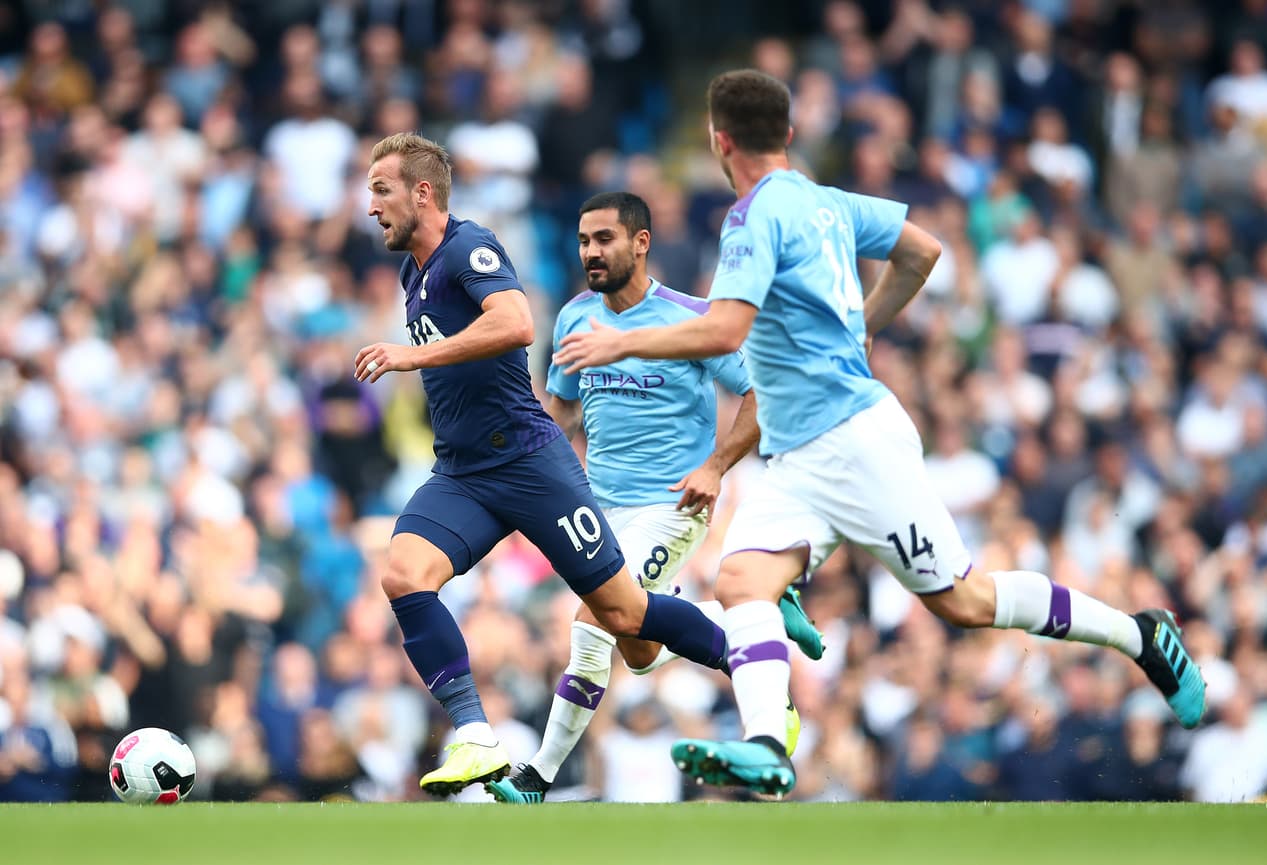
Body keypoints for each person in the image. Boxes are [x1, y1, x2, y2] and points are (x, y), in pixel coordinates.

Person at [553, 70, 1207, 797]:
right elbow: (923, 250)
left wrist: (620, 343)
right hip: (799, 452)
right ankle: (767, 745)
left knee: (965, 601)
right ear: (787, 134)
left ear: (719, 140)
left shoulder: (750, 218)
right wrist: (865, 323)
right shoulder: (829, 202)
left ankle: (1140, 634)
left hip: (852, 440)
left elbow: (726, 329)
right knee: (742, 581)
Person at [356, 133, 739, 796]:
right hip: (463, 473)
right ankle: (475, 734)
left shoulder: (469, 248)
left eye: (382, 190)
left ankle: (751, 650)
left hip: (528, 462)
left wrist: (411, 355)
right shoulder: (413, 273)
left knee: (625, 620)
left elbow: (516, 324)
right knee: (403, 574)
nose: (371, 207)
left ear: (422, 192)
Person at [486, 192, 823, 804]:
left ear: (641, 243)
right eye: (583, 241)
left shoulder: (692, 319)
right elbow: (561, 410)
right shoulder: (573, 318)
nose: (590, 252)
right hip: (596, 511)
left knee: (593, 624)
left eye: (604, 239)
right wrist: (528, 478)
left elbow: (761, 396)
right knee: (640, 650)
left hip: (671, 506)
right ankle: (757, 619)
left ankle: (536, 776)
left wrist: (715, 467)